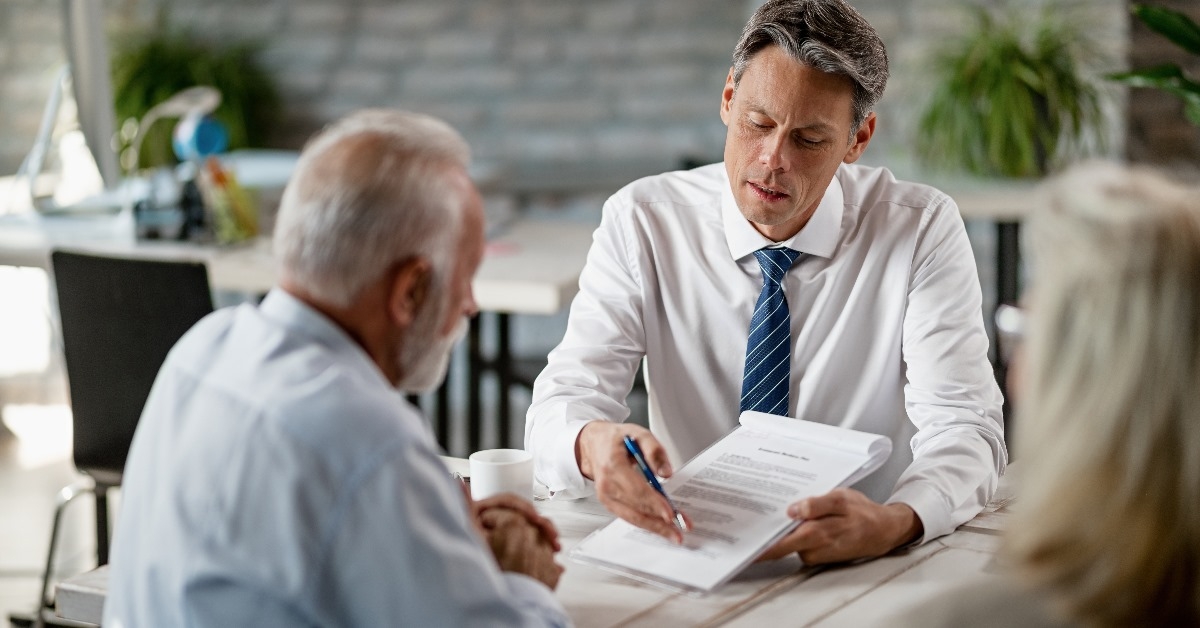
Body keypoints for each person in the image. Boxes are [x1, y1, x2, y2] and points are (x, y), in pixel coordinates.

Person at [526, 0, 1006, 564]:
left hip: (861, 559)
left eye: (808, 140)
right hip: (690, 546)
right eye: (758, 123)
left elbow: (964, 427)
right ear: (728, 100)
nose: (772, 159)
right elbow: (565, 400)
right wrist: (592, 445)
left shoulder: (919, 228)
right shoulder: (643, 220)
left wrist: (895, 522)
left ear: (858, 140)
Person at [103, 110, 570, 627]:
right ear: (409, 290)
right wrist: (520, 579)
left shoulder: (201, 351)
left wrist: (439, 538)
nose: (471, 304)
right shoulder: (368, 442)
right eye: (466, 277)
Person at [897, 162, 1200, 627]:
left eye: (1023, 331)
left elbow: (960, 419)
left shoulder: (971, 619)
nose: (1013, 374)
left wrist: (903, 515)